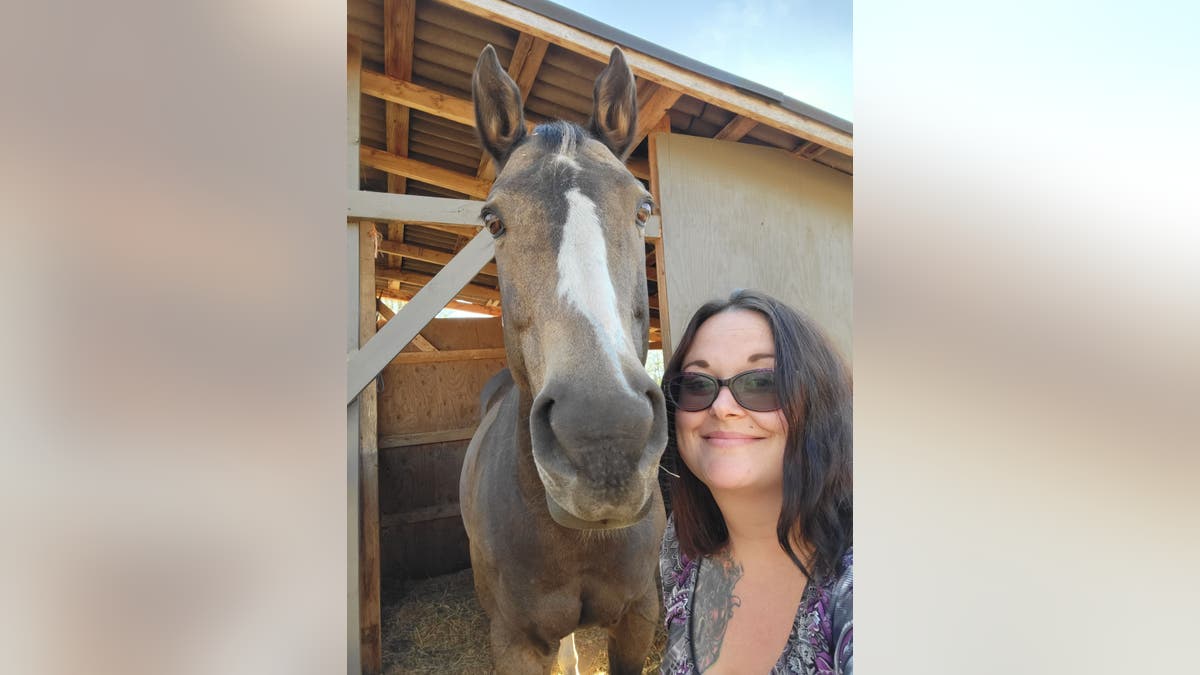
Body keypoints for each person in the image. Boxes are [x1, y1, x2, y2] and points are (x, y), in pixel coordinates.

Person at [658, 289, 853, 674]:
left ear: (819, 400)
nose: (722, 408)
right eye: (698, 385)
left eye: (762, 384)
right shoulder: (680, 551)